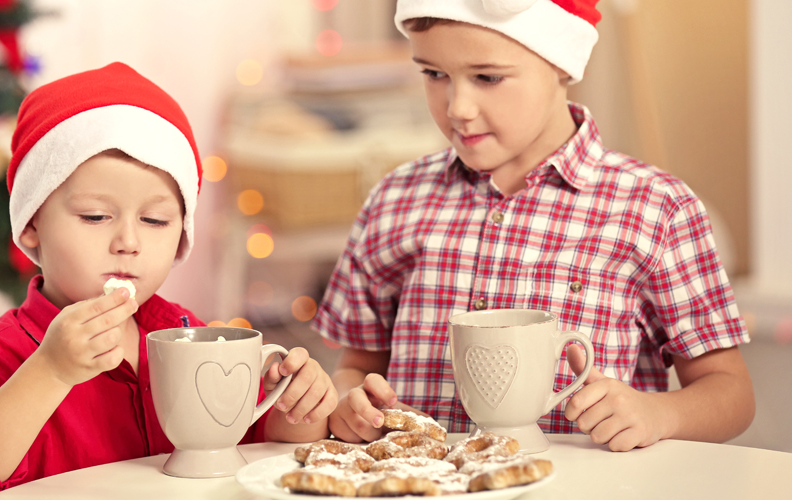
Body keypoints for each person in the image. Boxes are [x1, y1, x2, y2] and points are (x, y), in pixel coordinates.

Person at [312, 0, 755, 452]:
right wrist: (354, 403)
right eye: (433, 73)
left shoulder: (656, 209)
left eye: (488, 77)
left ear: (560, 65)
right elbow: (357, 365)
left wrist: (658, 413)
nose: (458, 107)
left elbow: (731, 392)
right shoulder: (394, 200)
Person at [0, 62, 337, 499]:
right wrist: (50, 372)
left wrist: (298, 407)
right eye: (96, 216)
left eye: (155, 220)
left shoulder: (186, 335)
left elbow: (248, 452)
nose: (128, 242)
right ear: (31, 224)